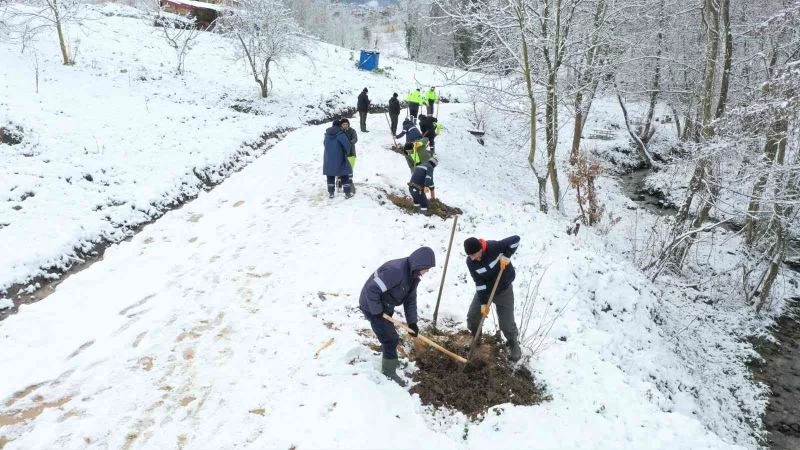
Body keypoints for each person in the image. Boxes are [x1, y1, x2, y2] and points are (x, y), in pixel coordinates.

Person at [359, 247, 436, 386]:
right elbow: (372, 289)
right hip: (371, 305)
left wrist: (412, 322)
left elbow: (410, 299)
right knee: (390, 339)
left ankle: (391, 358)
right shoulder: (396, 271)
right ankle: (389, 372)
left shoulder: (413, 276)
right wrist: (376, 311)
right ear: (419, 265)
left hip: (385, 305)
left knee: (390, 335)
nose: (427, 271)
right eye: (427, 268)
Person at [463, 235, 522, 361]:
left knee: (506, 324)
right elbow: (478, 282)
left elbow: (515, 239)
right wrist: (484, 303)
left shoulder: (494, 247)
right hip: (486, 291)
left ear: (480, 249)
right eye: (470, 256)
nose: (473, 258)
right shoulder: (470, 262)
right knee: (473, 316)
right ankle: (476, 338)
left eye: (474, 255)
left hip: (504, 289)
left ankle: (513, 343)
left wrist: (507, 256)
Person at [323, 119, 354, 199]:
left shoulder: (327, 134)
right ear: (339, 125)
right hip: (340, 156)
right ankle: (347, 193)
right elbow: (347, 145)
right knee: (344, 173)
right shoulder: (340, 133)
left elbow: (324, 144)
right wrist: (346, 152)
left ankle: (331, 193)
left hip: (328, 157)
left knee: (330, 174)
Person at [336, 118, 358, 194]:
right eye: (343, 124)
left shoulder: (352, 131)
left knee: (350, 170)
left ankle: (350, 185)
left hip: (351, 154)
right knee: (342, 170)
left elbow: (355, 139)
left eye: (346, 124)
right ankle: (340, 183)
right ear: (341, 125)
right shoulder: (339, 132)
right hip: (342, 154)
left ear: (348, 124)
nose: (345, 125)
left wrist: (348, 143)